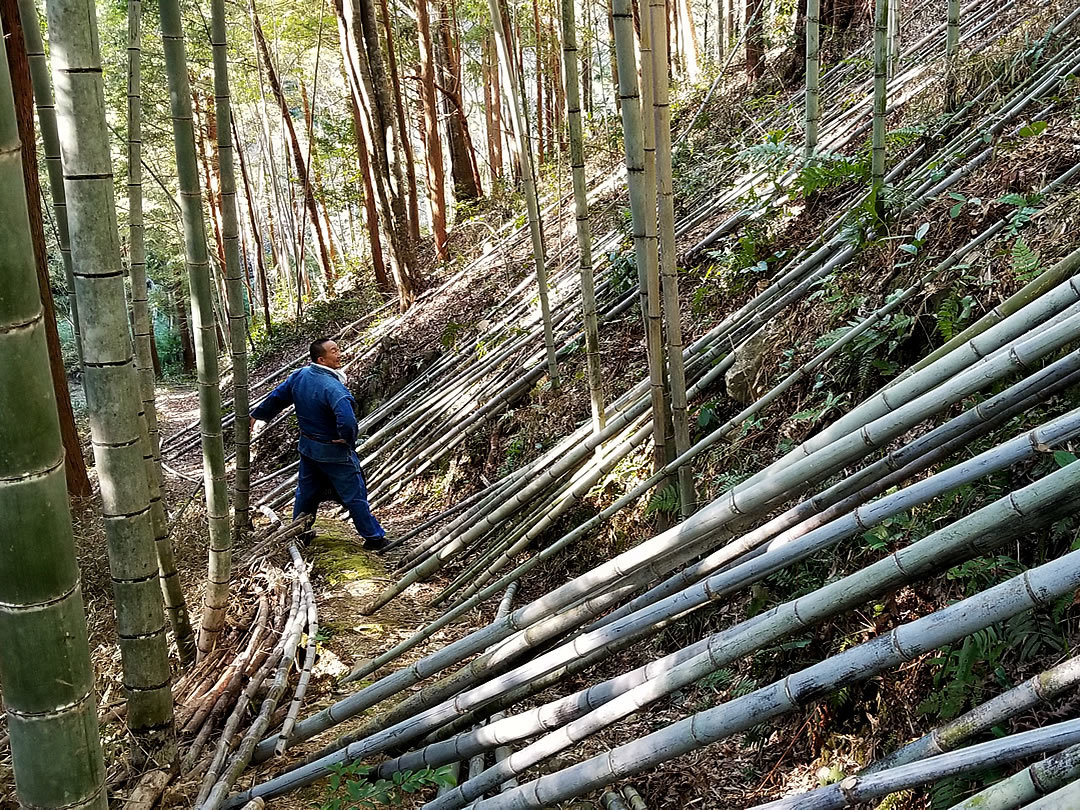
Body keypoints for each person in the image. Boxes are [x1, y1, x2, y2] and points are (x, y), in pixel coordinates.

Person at [250, 337, 389, 552]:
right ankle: (374, 537)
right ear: (322, 359)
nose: (339, 354)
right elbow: (348, 420)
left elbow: (278, 397)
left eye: (338, 349)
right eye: (334, 351)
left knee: (306, 492)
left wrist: (259, 414)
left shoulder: (300, 375)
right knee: (354, 495)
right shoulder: (333, 388)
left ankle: (300, 532)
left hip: (308, 447)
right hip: (334, 452)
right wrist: (347, 438)